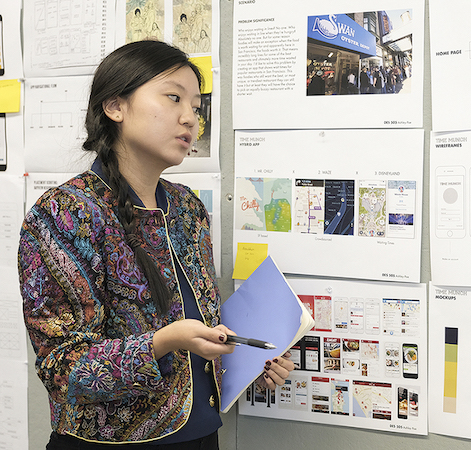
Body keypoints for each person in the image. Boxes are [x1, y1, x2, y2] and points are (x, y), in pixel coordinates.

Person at [17, 40, 294, 449]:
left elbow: (199, 331)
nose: (189, 118)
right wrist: (164, 341)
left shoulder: (187, 207)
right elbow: (63, 370)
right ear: (116, 107)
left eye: (196, 108)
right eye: (172, 98)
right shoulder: (64, 214)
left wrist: (251, 355)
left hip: (202, 435)